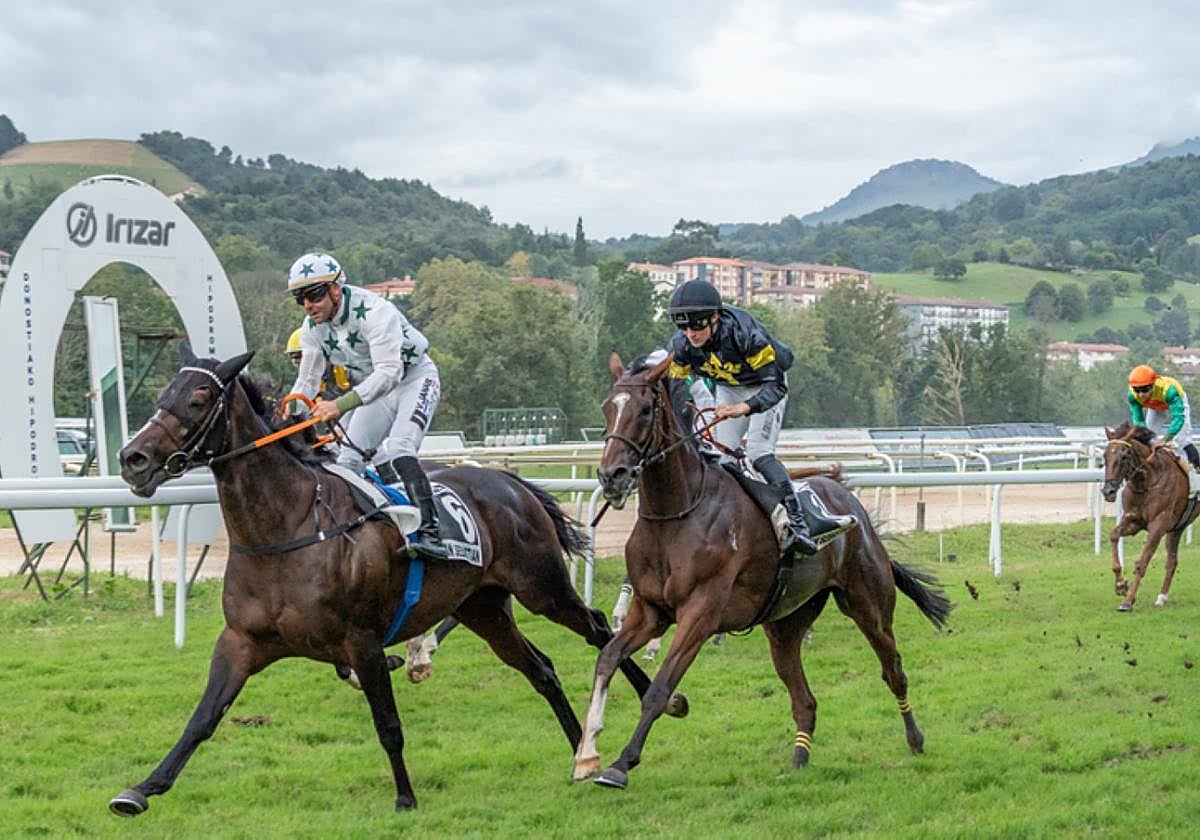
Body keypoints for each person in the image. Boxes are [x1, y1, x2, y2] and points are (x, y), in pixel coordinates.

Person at [664, 279, 855, 556]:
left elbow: (775, 387)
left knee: (757, 453)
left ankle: (799, 526)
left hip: (766, 385)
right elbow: (675, 389)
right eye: (683, 327)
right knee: (725, 459)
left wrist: (744, 408)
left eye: (696, 325)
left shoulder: (745, 333)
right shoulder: (682, 345)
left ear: (715, 317)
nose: (690, 334)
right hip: (729, 387)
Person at [286, 252, 448, 561]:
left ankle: (431, 532)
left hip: (412, 378)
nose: (308, 305)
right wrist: (291, 412)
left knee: (400, 447)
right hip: (375, 391)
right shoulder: (312, 328)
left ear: (336, 289)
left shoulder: (376, 311)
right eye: (300, 298)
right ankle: (360, 533)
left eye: (314, 295)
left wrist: (339, 405)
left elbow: (388, 374)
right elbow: (306, 382)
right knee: (346, 461)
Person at [1126, 363, 1200, 493]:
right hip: (1156, 408)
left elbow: (1178, 420)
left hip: (1177, 405)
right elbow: (1139, 421)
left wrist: (1166, 439)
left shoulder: (1169, 391)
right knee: (1144, 439)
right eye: (1137, 390)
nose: (1141, 394)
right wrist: (1146, 436)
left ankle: (1196, 476)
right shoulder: (1132, 395)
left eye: (1145, 389)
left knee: (1181, 441)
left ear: (1153, 385)